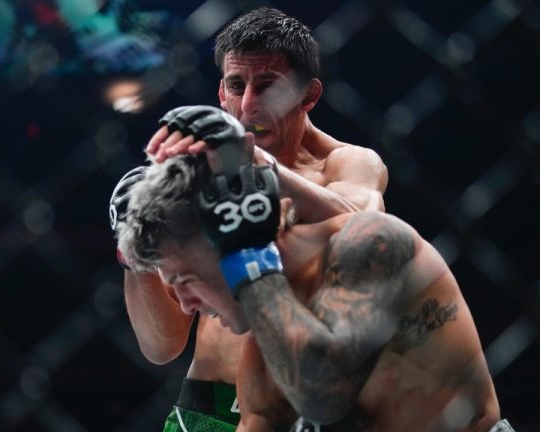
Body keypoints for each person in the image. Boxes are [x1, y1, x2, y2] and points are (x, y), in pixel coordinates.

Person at [110, 7, 388, 431]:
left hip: (302, 406)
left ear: (308, 95)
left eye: (269, 87)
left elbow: (364, 227)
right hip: (206, 412)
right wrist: (134, 251)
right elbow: (161, 347)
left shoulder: (346, 163)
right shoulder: (198, 176)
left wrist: (257, 163)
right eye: (237, 86)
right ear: (221, 92)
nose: (249, 104)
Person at [115, 144, 512, 431]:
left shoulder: (370, 245)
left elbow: (325, 388)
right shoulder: (261, 353)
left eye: (185, 281)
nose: (184, 305)